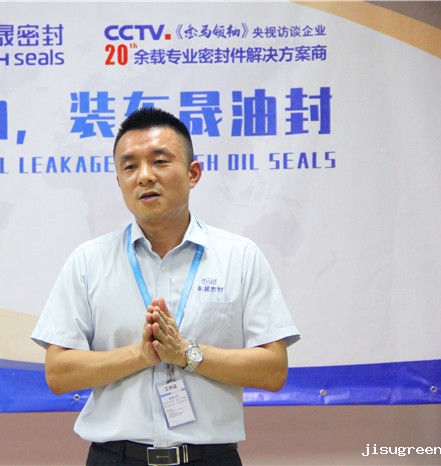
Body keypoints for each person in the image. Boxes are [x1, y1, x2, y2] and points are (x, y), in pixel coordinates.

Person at [31, 107, 300, 466]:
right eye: (130, 166)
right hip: (116, 458)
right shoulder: (88, 261)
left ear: (193, 173)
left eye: (159, 161)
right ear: (119, 181)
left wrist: (186, 353)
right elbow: (59, 374)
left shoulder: (240, 257)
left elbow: (273, 370)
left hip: (209, 458)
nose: (144, 176)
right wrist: (141, 355)